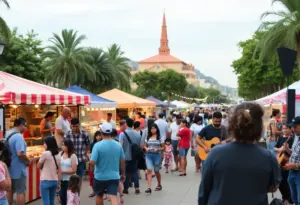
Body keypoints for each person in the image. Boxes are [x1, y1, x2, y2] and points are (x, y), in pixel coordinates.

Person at [198, 102, 281, 205]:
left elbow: (204, 190)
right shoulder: (268, 157)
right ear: (259, 126)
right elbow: (274, 187)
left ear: (232, 124)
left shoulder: (215, 153)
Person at [90, 123, 126, 205]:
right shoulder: (118, 145)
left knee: (99, 195)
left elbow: (93, 162)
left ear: (101, 132)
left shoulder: (97, 145)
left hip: (99, 176)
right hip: (114, 176)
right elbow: (123, 161)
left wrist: (90, 163)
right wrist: (123, 173)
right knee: (113, 196)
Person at [5, 118, 29, 205]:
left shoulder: (7, 133)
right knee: (20, 192)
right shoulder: (19, 136)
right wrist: (27, 161)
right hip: (19, 169)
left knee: (9, 191)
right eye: (25, 126)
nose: (25, 128)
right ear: (21, 124)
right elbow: (20, 153)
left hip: (8, 168)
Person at [65, 118, 90, 192]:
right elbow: (65, 146)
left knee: (79, 179)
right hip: (70, 161)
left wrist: (86, 155)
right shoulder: (68, 134)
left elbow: (87, 145)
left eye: (77, 126)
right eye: (73, 126)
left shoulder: (84, 134)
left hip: (80, 160)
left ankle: (77, 196)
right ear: (71, 126)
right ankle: (71, 196)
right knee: (70, 179)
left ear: (79, 125)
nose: (75, 128)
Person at [119, 118, 141, 194]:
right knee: (134, 171)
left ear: (126, 124)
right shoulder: (138, 134)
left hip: (125, 156)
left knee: (126, 172)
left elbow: (120, 145)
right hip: (135, 156)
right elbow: (139, 145)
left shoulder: (122, 134)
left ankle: (125, 188)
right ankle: (137, 187)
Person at [38, 136, 61, 205]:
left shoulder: (46, 154)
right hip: (54, 181)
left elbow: (38, 166)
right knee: (51, 201)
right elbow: (59, 171)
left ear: (48, 144)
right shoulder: (58, 155)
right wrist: (59, 183)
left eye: (44, 143)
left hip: (45, 181)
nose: (43, 145)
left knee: (46, 202)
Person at [274, 124, 293, 205]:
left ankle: (288, 199)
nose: (284, 130)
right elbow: (275, 147)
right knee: (280, 181)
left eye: (286, 128)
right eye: (283, 128)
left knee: (286, 181)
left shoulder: (292, 138)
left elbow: (293, 151)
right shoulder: (281, 137)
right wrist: (279, 149)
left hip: (287, 162)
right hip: (280, 161)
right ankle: (284, 198)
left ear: (290, 129)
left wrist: (287, 149)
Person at [283, 116, 300, 205]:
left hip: (298, 174)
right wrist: (287, 149)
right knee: (294, 199)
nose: (293, 129)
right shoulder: (297, 138)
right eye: (292, 127)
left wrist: (294, 165)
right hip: (292, 173)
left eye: (295, 127)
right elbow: (295, 153)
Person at [144, 123, 164, 194]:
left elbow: (163, 147)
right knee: (149, 170)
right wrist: (146, 148)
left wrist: (158, 149)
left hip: (157, 155)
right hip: (149, 155)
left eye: (154, 128)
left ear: (156, 129)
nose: (153, 130)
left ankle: (159, 184)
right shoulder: (148, 137)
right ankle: (149, 187)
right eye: (151, 129)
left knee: (156, 171)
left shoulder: (160, 137)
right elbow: (145, 145)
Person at [59, 139, 78, 205]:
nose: (62, 147)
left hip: (70, 180)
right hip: (61, 180)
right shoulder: (60, 154)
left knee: (70, 198)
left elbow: (74, 170)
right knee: (62, 197)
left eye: (64, 145)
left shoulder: (73, 156)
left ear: (68, 146)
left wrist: (63, 172)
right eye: (62, 145)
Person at [88, 131, 102, 198]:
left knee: (99, 178)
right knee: (92, 177)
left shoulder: (103, 144)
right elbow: (89, 152)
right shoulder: (92, 144)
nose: (98, 137)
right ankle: (93, 191)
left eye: (99, 135)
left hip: (100, 164)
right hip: (92, 163)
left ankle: (101, 191)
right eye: (97, 136)